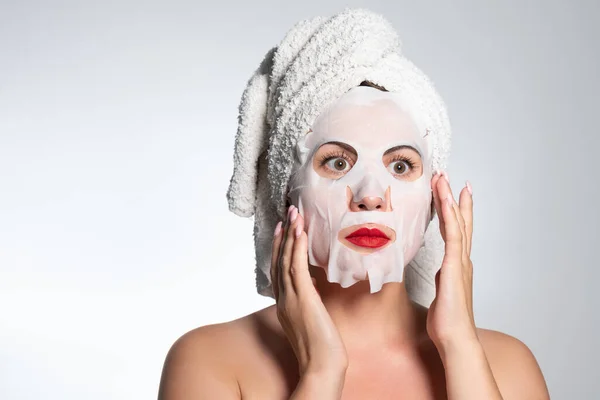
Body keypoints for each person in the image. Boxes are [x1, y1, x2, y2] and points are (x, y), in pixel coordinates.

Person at [158, 9, 550, 400]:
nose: (371, 196)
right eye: (337, 163)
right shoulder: (212, 361)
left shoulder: (507, 366)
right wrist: (320, 373)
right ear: (286, 189)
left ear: (435, 198)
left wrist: (460, 348)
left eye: (400, 165)